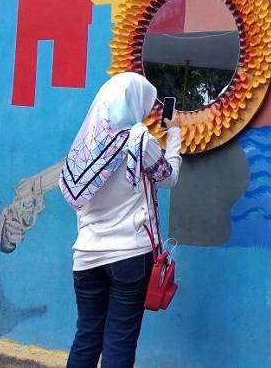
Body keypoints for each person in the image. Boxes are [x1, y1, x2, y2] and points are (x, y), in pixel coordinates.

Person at [58, 72, 182, 368]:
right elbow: (169, 177)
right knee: (119, 342)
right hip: (129, 256)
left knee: (86, 337)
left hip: (86, 257)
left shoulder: (85, 145)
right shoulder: (139, 141)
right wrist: (175, 134)